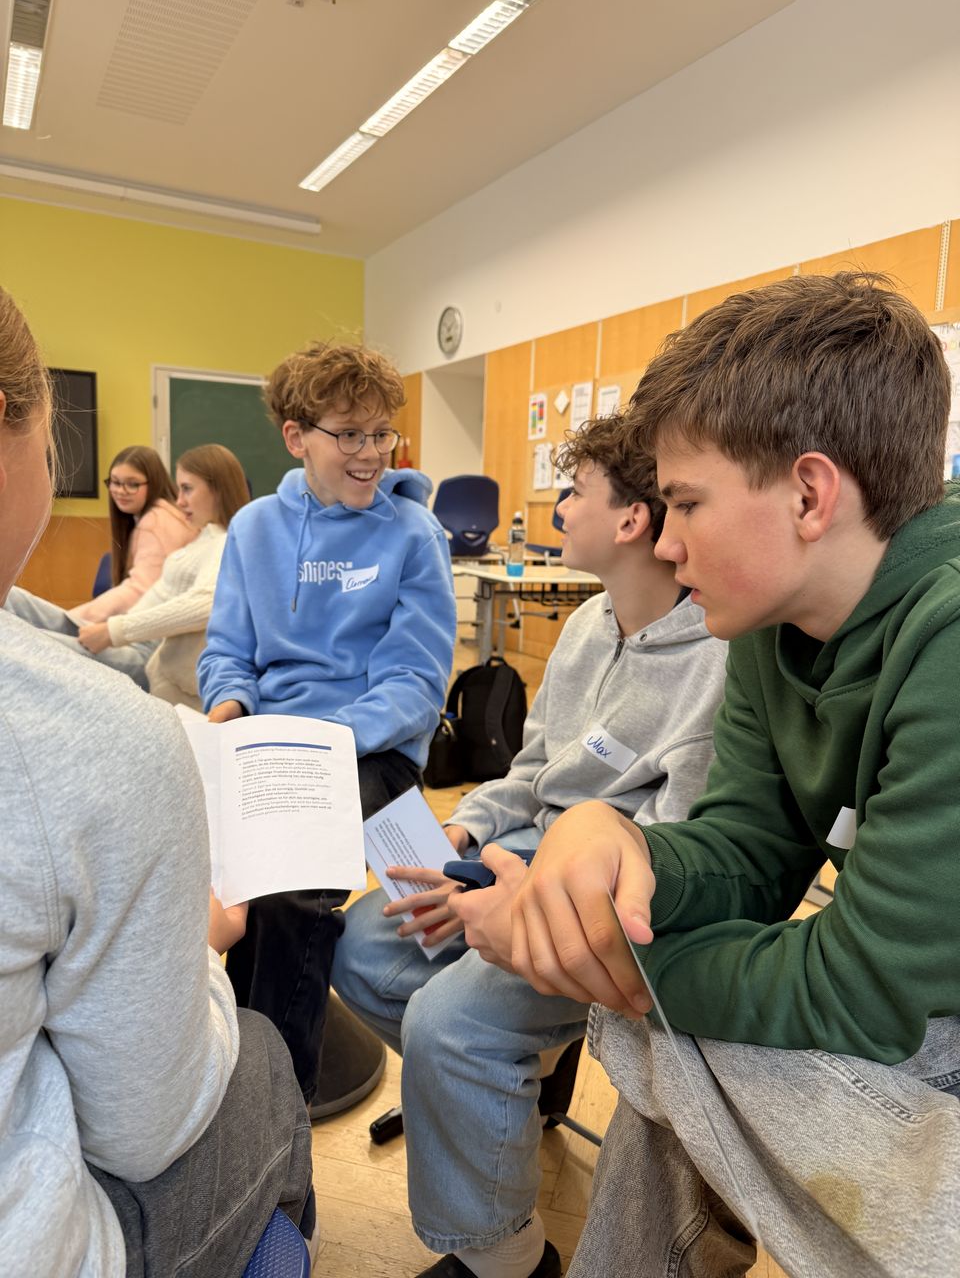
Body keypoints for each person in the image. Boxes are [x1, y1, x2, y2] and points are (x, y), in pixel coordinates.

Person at [489, 273, 960, 1278]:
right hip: (921, 986)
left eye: (686, 504)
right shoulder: (769, 616)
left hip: (930, 1010)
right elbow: (749, 852)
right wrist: (613, 847)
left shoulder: (949, 632)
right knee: (687, 1032)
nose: (665, 543)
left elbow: (867, 988)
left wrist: (612, 969)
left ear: (809, 495)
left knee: (679, 1035)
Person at [332, 411, 730, 1278]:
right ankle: (515, 1083)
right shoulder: (587, 625)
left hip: (600, 901)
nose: (556, 511)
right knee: (361, 946)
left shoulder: (715, 659)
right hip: (520, 846)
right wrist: (467, 826)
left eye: (573, 492)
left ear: (631, 520)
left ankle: (507, 1257)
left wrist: (514, 893)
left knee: (447, 1025)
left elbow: (673, 851)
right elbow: (534, 767)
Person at [0, 286, 314, 1276]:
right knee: (258, 1052)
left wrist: (106, 634)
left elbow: (188, 614)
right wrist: (204, 955)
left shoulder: (225, 543)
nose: (164, 496)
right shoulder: (97, 742)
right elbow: (146, 1129)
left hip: (244, 718)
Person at [197, 339, 458, 1117]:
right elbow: (228, 653)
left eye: (381, 433)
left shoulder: (414, 535)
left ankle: (276, 1107)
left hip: (370, 752)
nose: (371, 452)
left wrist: (319, 742)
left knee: (286, 890)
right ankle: (223, 1063)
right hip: (267, 747)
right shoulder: (253, 529)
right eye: (349, 434)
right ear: (296, 436)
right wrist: (227, 714)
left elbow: (413, 686)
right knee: (223, 885)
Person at [71, 443, 250, 705]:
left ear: (217, 489)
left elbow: (205, 603)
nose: (179, 501)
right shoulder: (204, 537)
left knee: (40, 643)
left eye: (187, 489)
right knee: (27, 613)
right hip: (144, 652)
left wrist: (114, 630)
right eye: (179, 489)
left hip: (145, 655)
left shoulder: (223, 542)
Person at [5, 442, 195, 640]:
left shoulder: (156, 522)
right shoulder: (162, 515)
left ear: (154, 483)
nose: (121, 490)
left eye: (132, 484)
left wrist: (76, 620)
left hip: (147, 638)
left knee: (20, 606)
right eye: (115, 482)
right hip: (142, 630)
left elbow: (139, 590)